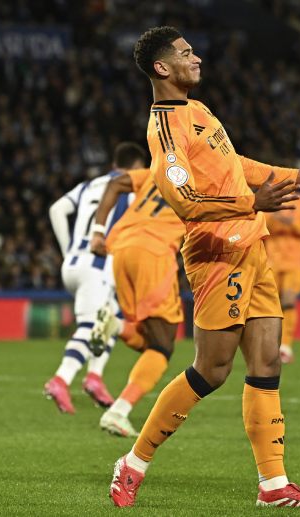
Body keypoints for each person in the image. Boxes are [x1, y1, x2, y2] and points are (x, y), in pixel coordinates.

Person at [108, 26, 300, 509]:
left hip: (253, 246)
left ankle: (273, 485)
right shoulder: (164, 130)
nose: (196, 58)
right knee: (211, 371)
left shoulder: (197, 110)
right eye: (185, 53)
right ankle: (133, 462)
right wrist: (251, 202)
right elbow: (185, 201)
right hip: (217, 253)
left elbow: (233, 163)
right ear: (162, 67)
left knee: (266, 362)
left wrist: (295, 177)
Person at [43, 142, 146, 414]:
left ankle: (94, 377)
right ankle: (61, 379)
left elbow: (57, 210)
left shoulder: (88, 185)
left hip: (74, 264)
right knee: (91, 326)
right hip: (98, 266)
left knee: (109, 318)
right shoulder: (133, 188)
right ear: (137, 167)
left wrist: (68, 251)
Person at [88, 166, 186, 437]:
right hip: (155, 254)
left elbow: (117, 183)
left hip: (121, 251)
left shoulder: (159, 171)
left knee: (148, 338)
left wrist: (98, 231)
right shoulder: (205, 181)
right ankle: (118, 412)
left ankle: (116, 326)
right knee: (162, 346)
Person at [264, 195, 300, 363]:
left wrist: (292, 223)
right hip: (271, 261)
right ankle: (267, 345)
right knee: (268, 305)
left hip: (295, 263)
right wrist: (274, 218)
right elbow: (259, 226)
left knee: (288, 302)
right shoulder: (271, 198)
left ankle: (285, 346)